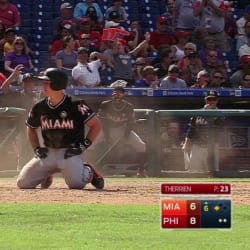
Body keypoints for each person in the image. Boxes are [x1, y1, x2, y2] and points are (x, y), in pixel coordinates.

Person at [16, 68, 104, 190]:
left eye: (47, 83)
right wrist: (36, 148)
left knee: (76, 184)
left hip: (70, 152)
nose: (43, 86)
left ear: (57, 84)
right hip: (48, 152)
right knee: (23, 183)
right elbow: (31, 128)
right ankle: (46, 174)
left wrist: (83, 146)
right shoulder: (39, 106)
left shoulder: (76, 104)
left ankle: (89, 171)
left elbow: (96, 125)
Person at [88, 83, 147, 177]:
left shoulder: (128, 106)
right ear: (112, 94)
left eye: (120, 93)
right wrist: (107, 136)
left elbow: (130, 123)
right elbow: (102, 122)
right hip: (106, 129)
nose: (117, 95)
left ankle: (141, 171)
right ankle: (88, 169)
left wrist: (126, 137)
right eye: (115, 93)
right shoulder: (105, 105)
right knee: (90, 144)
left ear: (123, 95)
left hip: (122, 129)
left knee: (141, 145)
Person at [182, 90, 223, 174]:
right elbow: (191, 129)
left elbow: (220, 128)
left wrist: (209, 113)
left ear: (217, 100)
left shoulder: (221, 114)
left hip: (212, 147)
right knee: (193, 172)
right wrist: (186, 144)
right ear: (205, 100)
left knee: (213, 172)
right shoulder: (197, 113)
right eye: (209, 99)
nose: (211, 101)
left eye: (213, 99)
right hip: (197, 146)